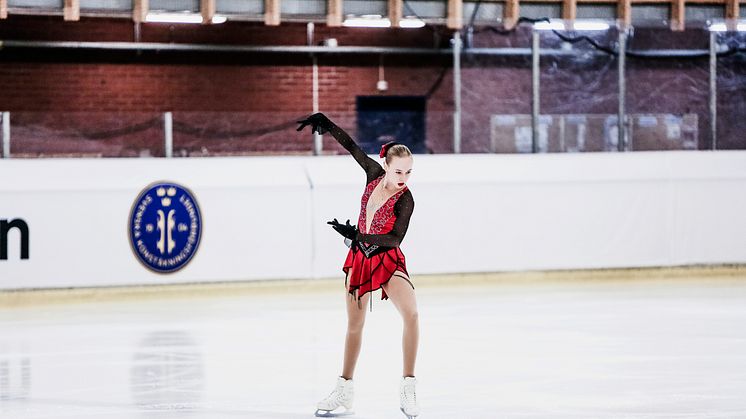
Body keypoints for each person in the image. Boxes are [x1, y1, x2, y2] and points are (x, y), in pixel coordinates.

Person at [297, 113, 420, 419]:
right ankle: (344, 389)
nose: (403, 178)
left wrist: (357, 234)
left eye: (408, 172)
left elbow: (394, 238)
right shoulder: (373, 173)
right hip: (360, 259)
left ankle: (408, 386)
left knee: (412, 314)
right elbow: (352, 147)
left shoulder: (407, 200)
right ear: (387, 166)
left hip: (387, 259)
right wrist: (327, 124)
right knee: (354, 325)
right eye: (399, 171)